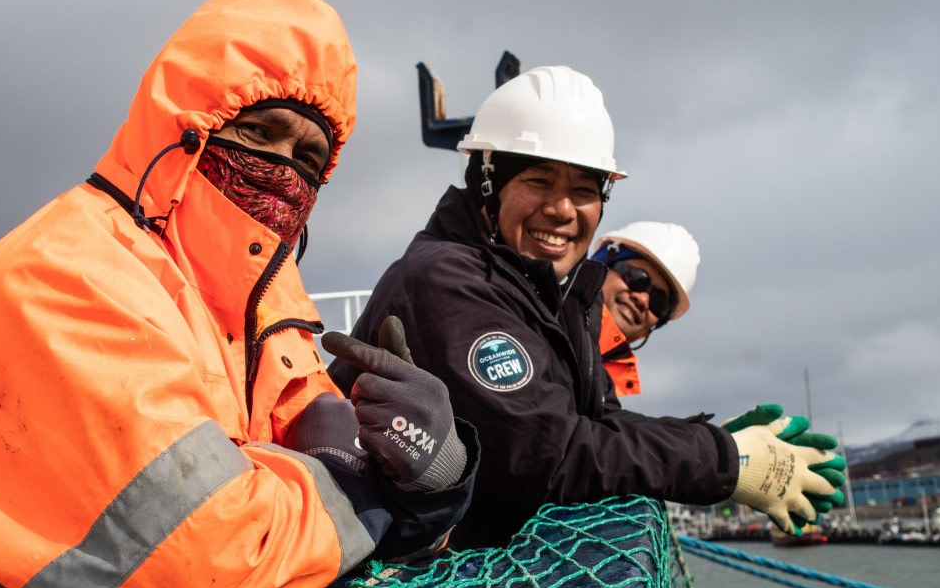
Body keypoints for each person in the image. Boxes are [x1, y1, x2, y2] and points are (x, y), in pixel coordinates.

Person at [0, 0, 477, 588]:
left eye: (311, 156)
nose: (286, 168)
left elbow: (333, 493)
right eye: (261, 131)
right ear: (187, 120)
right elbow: (203, 547)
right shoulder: (65, 275)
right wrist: (375, 495)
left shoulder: (272, 311)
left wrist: (436, 476)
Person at [328, 64, 846, 550]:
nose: (561, 209)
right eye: (538, 181)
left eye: (583, 190)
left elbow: (596, 422)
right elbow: (547, 454)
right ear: (487, 182)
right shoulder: (449, 281)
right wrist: (725, 463)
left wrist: (714, 442)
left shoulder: (547, 291)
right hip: (397, 579)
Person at [588, 221, 700, 402]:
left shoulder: (603, 392)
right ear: (600, 267)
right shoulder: (538, 323)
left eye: (658, 302)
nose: (643, 299)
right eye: (637, 279)